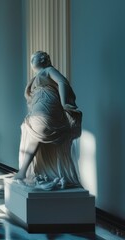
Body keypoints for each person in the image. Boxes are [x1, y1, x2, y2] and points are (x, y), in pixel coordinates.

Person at [14, 51, 82, 190]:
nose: (32, 59)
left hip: (48, 107)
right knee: (31, 132)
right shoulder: (36, 77)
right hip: (38, 109)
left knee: (39, 131)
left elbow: (62, 82)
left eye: (35, 56)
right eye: (31, 57)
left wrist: (64, 104)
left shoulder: (49, 70)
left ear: (44, 59)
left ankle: (22, 172)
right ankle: (39, 173)